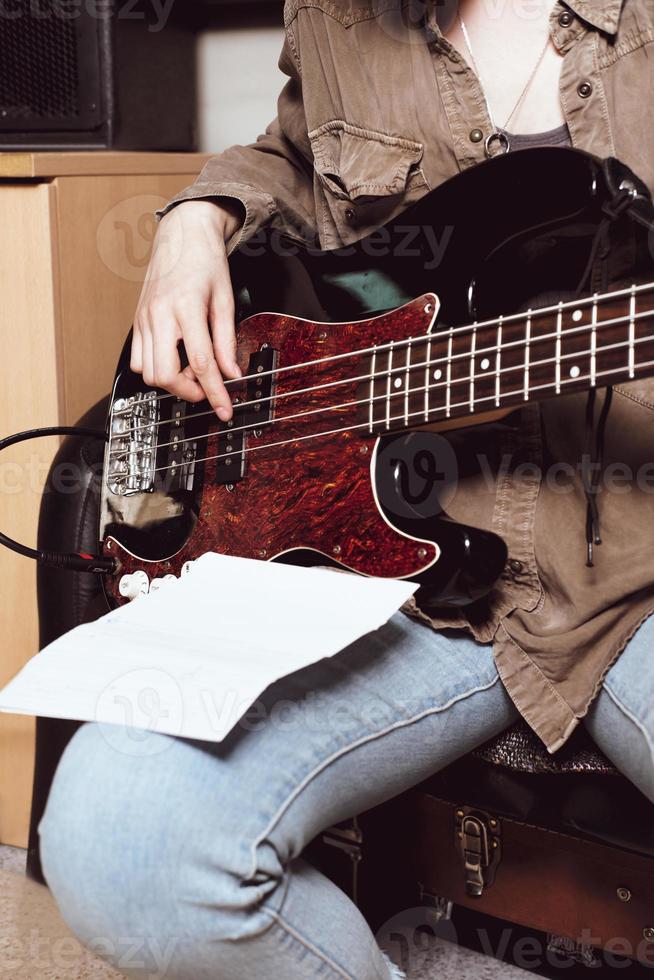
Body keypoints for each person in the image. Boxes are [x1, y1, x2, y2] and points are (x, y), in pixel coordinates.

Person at [38, 1, 654, 977]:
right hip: (400, 564)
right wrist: (200, 216)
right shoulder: (338, 15)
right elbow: (293, 151)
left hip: (632, 565)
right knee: (124, 841)